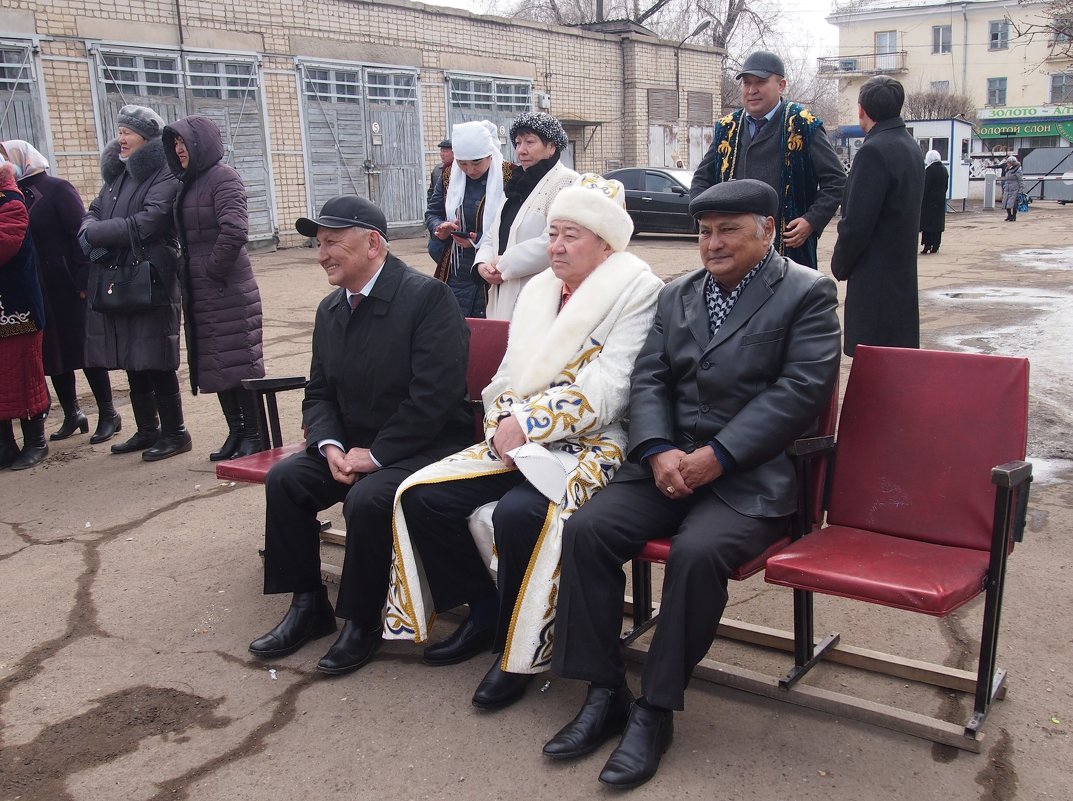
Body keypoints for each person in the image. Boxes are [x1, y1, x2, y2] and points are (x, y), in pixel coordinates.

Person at [545, 179, 840, 789]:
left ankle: (655, 709)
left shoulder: (807, 293)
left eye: (728, 229)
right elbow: (648, 378)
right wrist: (655, 452)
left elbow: (801, 392)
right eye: (705, 232)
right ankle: (604, 692)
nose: (712, 243)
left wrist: (719, 455)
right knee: (589, 530)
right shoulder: (677, 294)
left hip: (748, 477)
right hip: (667, 467)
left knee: (698, 553)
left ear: (766, 227)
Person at [387, 175, 663, 710]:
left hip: (594, 444)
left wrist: (529, 425)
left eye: (571, 236)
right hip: (517, 437)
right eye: (552, 233)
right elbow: (506, 376)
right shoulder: (538, 289)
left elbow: (612, 388)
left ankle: (516, 652)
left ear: (606, 243)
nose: (555, 246)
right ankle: (485, 608)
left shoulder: (638, 289)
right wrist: (499, 423)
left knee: (518, 516)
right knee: (423, 497)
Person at [248, 195, 474, 677]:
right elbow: (319, 391)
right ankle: (308, 605)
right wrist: (329, 447)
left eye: (332, 243)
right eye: (318, 244)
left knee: (368, 500)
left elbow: (435, 396)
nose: (321, 254)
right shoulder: (332, 309)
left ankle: (363, 620)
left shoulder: (427, 298)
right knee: (287, 480)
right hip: (351, 446)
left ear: (373, 243)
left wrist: (377, 454)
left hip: (425, 444)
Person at [79, 105, 189, 461]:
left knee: (155, 357)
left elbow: (149, 221)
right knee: (131, 356)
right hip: (119, 274)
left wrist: (95, 234)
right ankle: (147, 430)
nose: (121, 138)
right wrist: (87, 232)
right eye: (120, 130)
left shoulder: (163, 174)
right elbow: (93, 210)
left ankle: (175, 432)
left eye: (128, 131)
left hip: (151, 275)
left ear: (147, 137)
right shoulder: (118, 174)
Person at [2, 140, 120, 445]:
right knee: (53, 355)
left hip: (66, 284)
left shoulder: (56, 188)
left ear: (21, 159)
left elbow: (78, 235)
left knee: (84, 349)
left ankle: (109, 413)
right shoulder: (12, 194)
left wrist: (83, 281)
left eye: (6, 158)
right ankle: (72, 413)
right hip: (37, 288)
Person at [162, 116, 265, 461]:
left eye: (183, 142)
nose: (178, 149)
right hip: (202, 289)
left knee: (240, 360)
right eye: (174, 143)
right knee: (216, 364)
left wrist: (211, 270)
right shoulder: (189, 183)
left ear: (200, 143)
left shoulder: (224, 178)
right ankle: (235, 431)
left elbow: (234, 231)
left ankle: (255, 434)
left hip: (226, 286)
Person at [690, 50, 845, 270]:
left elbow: (836, 181)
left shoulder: (802, 125)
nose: (752, 90)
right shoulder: (727, 128)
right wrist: (704, 219)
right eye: (746, 83)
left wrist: (811, 221)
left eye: (760, 83)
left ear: (781, 85)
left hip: (788, 250)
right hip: (734, 251)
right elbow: (701, 181)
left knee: (789, 302)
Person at [831, 75, 923, 358]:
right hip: (901, 279)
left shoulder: (873, 150)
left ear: (862, 109)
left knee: (873, 365)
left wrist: (840, 265)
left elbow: (856, 223)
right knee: (896, 365)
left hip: (874, 281)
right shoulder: (910, 146)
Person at [475, 111, 578, 319]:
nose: (521, 150)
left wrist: (503, 264)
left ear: (551, 147)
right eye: (518, 142)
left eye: (530, 142)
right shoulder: (517, 184)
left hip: (539, 292)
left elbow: (554, 241)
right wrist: (483, 264)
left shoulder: (567, 183)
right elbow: (493, 234)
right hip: (501, 288)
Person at [425, 120, 507, 317]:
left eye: (476, 162)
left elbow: (514, 225)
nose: (470, 170)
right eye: (462, 163)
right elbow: (433, 212)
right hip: (453, 266)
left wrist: (479, 240)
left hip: (491, 268)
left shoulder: (509, 177)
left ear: (490, 155)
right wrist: (439, 228)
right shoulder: (448, 175)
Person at [0, 161, 50, 470]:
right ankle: (5, 445)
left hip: (18, 312)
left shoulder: (11, 202)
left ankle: (36, 442)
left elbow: (6, 244)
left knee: (23, 376)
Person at [920, 149, 948, 254]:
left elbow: (925, 187)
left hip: (928, 203)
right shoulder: (944, 170)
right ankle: (936, 245)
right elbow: (945, 186)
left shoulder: (929, 170)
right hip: (940, 201)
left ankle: (927, 245)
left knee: (927, 225)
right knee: (938, 225)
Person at [427, 138, 453, 203]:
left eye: (445, 151)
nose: (442, 154)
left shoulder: (462, 170)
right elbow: (431, 192)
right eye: (441, 151)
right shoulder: (437, 170)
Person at [1001, 155, 1025, 222]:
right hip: (1007, 189)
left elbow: (1020, 180)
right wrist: (1004, 186)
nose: (1007, 164)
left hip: (1014, 189)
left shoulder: (1017, 171)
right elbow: (1006, 179)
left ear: (1012, 163)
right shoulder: (1008, 170)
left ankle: (1013, 216)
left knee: (1013, 204)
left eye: (1008, 163)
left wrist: (1021, 189)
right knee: (1006, 203)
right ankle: (1009, 215)